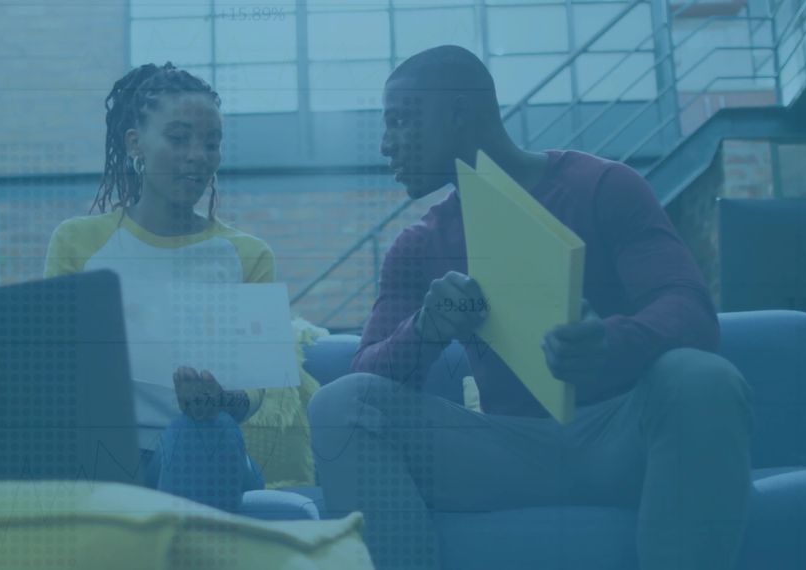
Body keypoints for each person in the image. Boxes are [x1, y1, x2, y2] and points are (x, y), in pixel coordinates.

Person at [308, 45, 753, 570]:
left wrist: (611, 342)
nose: (386, 145)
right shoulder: (418, 244)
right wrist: (425, 329)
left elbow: (689, 309)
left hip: (621, 437)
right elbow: (366, 369)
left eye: (402, 121)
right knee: (340, 404)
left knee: (701, 376)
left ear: (458, 112)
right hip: (505, 451)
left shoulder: (604, 186)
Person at [45, 62, 273, 512]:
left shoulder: (249, 254)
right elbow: (53, 368)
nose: (198, 156)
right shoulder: (78, 242)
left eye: (211, 143)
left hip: (206, 450)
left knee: (202, 430)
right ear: (136, 144)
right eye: (179, 138)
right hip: (104, 454)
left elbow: (256, 389)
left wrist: (220, 401)